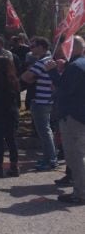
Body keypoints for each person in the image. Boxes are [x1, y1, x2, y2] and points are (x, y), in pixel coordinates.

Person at [45, 35, 85, 204]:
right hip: (79, 114)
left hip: (73, 116)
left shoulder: (75, 66)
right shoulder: (78, 64)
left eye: (64, 46)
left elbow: (64, 89)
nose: (62, 50)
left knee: (75, 156)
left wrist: (52, 72)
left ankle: (80, 193)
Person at [21, 37, 57, 171]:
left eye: (33, 46)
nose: (31, 49)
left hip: (41, 101)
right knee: (47, 131)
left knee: (44, 131)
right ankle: (50, 156)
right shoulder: (50, 61)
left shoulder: (42, 62)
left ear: (42, 47)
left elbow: (25, 77)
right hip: (48, 100)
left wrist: (33, 76)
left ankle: (50, 159)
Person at [0, 56, 21, 177]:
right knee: (12, 140)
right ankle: (14, 166)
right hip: (11, 112)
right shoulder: (13, 79)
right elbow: (17, 98)